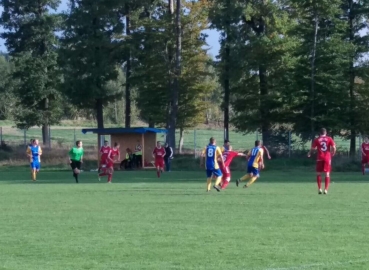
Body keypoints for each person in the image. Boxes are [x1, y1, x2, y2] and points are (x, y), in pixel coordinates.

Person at [308, 128, 336, 195]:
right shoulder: (329, 138)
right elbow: (334, 147)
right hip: (327, 158)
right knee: (327, 174)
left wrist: (309, 153)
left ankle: (320, 188)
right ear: (325, 133)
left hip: (319, 157)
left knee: (318, 173)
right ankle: (326, 189)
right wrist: (333, 152)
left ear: (319, 133)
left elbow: (313, 148)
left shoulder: (317, 139)